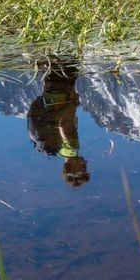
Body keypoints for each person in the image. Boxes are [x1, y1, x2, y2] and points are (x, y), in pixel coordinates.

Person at [26, 56, 90, 187]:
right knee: (54, 65)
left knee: (68, 59)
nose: (85, 164)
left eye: (82, 168)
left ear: (70, 166)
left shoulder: (71, 149)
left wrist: (72, 104)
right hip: (50, 96)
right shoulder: (59, 151)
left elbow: (64, 125)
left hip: (62, 95)